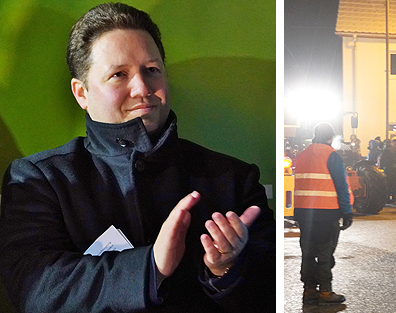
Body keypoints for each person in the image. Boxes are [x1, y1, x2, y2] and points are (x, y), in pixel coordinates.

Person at [0, 3, 275, 312]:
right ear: (82, 94)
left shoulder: (234, 180)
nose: (142, 88)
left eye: (152, 70)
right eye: (119, 75)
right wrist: (150, 267)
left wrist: (224, 271)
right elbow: (36, 291)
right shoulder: (39, 180)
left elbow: (272, 290)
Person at [294, 123, 353, 305]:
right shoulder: (331, 155)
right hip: (327, 213)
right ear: (330, 137)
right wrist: (347, 211)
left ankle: (309, 290)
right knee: (325, 253)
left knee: (308, 252)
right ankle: (325, 291)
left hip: (304, 213)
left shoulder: (302, 155)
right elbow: (341, 186)